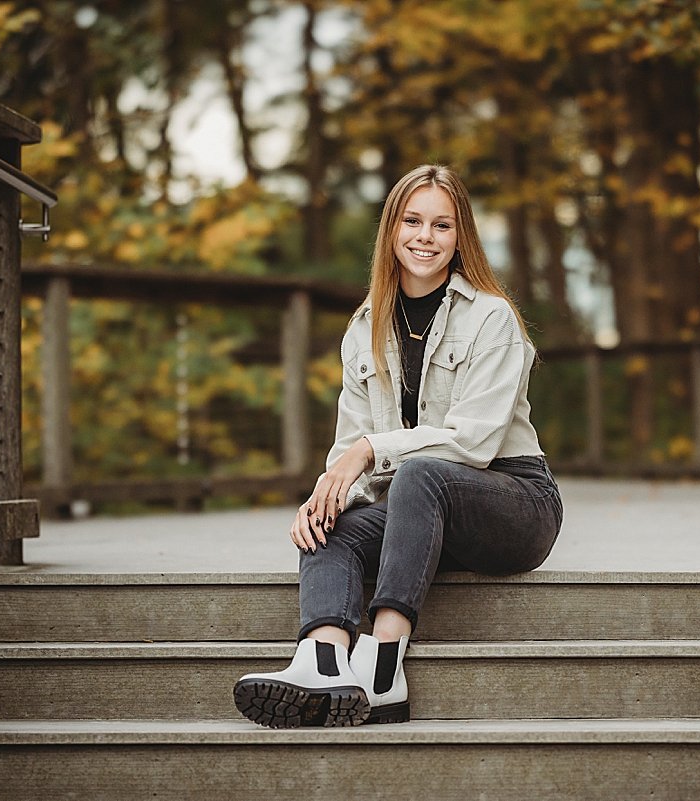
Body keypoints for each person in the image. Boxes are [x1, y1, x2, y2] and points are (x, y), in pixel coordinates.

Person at [233, 164, 563, 728]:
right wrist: (327, 496)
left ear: (461, 237)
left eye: (442, 225)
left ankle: (384, 665)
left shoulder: (492, 318)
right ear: (391, 230)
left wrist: (367, 451)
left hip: (512, 503)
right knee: (330, 521)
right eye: (412, 221)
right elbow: (349, 448)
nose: (425, 237)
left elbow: (473, 443)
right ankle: (324, 659)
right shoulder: (363, 329)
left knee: (419, 473)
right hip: (420, 510)